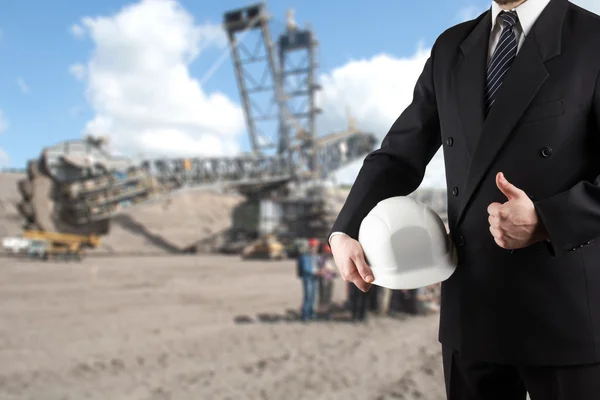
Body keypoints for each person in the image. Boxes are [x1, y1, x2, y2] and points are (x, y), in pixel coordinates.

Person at [328, 0, 600, 398]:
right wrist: (344, 229)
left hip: (567, 314)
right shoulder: (450, 47)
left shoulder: (592, 40)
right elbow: (400, 154)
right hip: (472, 312)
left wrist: (548, 220)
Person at [297, 238, 320, 321]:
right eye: (313, 247)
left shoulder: (316, 256)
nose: (315, 249)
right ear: (310, 247)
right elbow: (306, 268)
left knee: (313, 296)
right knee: (308, 296)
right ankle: (305, 315)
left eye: (316, 247)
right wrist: (316, 272)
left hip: (314, 278)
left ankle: (311, 313)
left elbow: (320, 265)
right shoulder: (305, 256)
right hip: (308, 279)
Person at [317, 244, 337, 318]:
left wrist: (333, 273)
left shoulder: (328, 260)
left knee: (328, 297)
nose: (328, 254)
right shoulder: (320, 259)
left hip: (329, 280)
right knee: (323, 297)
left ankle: (327, 312)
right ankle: (322, 313)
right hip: (323, 280)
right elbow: (320, 270)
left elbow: (332, 270)